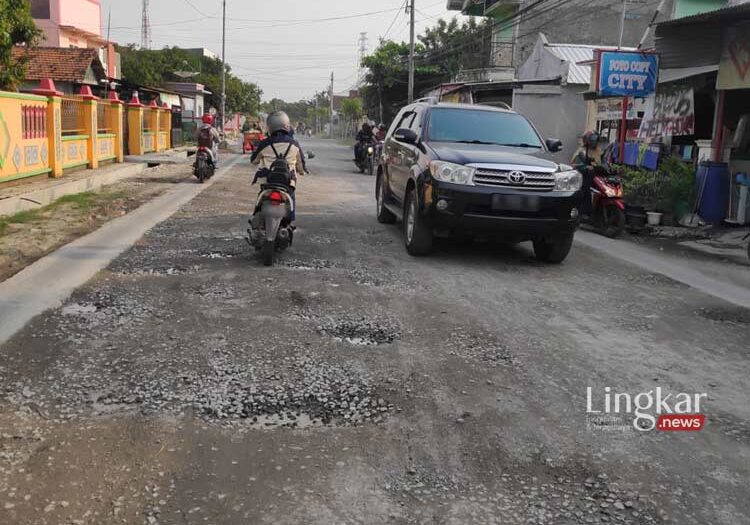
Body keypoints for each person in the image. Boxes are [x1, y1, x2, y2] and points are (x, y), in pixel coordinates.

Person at [251, 111, 307, 224]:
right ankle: (290, 221)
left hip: (268, 182)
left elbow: (254, 160)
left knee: (261, 199)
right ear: (287, 125)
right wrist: (301, 171)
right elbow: (301, 165)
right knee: (291, 198)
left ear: (269, 127)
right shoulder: (294, 144)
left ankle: (256, 217)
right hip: (287, 182)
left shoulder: (264, 143)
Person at [571, 130, 603, 215]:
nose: (594, 142)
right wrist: (585, 167)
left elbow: (602, 162)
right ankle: (584, 211)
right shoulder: (582, 151)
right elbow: (575, 164)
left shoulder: (599, 151)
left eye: (595, 140)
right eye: (592, 140)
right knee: (585, 191)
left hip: (596, 177)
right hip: (583, 177)